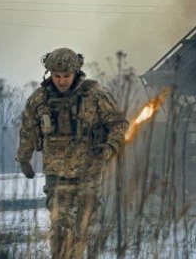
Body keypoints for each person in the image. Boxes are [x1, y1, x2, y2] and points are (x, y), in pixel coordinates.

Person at [15, 48, 128, 258]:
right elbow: (28, 129)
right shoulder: (39, 99)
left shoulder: (95, 94)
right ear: (50, 74)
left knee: (84, 228)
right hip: (56, 175)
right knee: (60, 228)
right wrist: (24, 158)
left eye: (66, 76)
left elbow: (119, 125)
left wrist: (108, 148)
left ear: (76, 72)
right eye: (57, 76)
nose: (62, 81)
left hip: (89, 172)